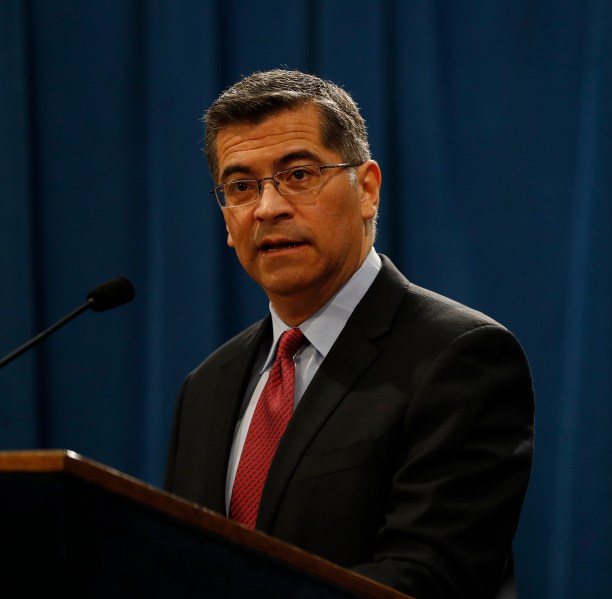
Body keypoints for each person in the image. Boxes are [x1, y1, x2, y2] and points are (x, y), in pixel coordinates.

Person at [164, 69, 535, 599]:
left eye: (298, 174)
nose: (268, 208)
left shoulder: (460, 356)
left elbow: (429, 576)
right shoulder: (205, 388)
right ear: (227, 218)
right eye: (242, 187)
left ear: (366, 189)